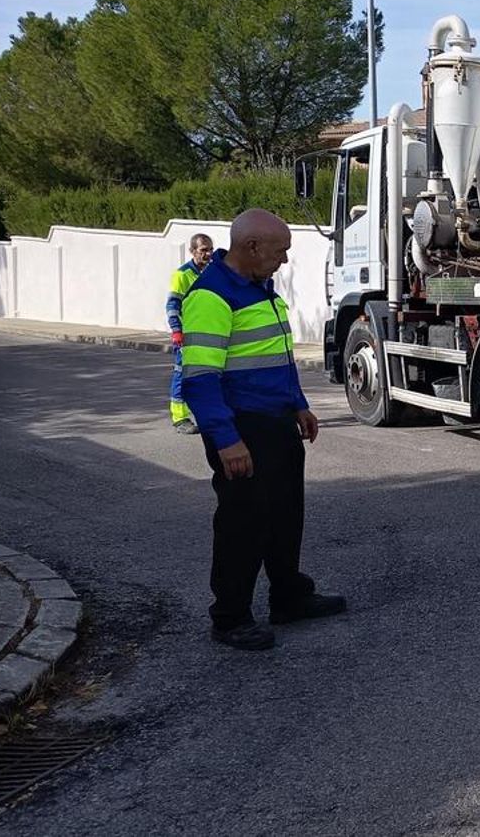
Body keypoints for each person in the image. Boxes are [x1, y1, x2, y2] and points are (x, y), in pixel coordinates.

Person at [179, 209, 343, 650]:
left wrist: (298, 404)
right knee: (243, 524)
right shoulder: (211, 297)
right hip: (241, 427)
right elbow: (199, 379)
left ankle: (288, 596)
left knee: (286, 515)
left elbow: (275, 356)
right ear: (251, 247)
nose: (284, 261)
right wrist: (226, 439)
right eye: (280, 251)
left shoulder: (258, 288)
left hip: (275, 422)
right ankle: (230, 617)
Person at [167, 233, 216, 434]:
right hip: (188, 336)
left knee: (209, 376)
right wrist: (177, 331)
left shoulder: (213, 272)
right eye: (203, 250)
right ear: (192, 251)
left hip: (211, 335)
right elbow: (172, 305)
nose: (208, 253)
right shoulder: (182, 275)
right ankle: (180, 418)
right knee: (182, 375)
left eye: (210, 249)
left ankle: (208, 414)